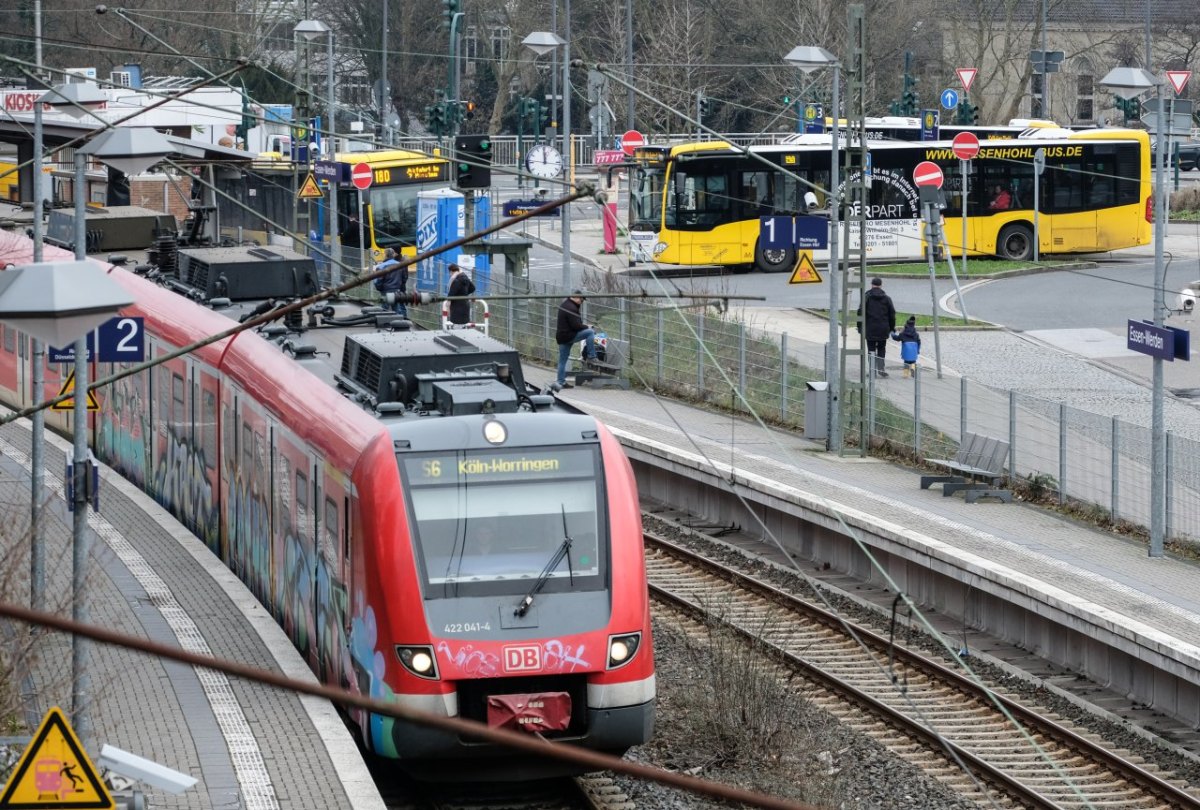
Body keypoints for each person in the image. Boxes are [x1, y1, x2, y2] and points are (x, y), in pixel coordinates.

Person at [555, 289, 598, 389]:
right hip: (569, 335)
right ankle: (592, 356)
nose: (582, 302)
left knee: (562, 361)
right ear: (576, 297)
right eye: (582, 300)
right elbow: (576, 326)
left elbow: (575, 325)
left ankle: (560, 382)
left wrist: (584, 326)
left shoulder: (566, 304)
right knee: (590, 332)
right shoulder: (571, 308)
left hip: (562, 336)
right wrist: (587, 327)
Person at [858, 277, 896, 378]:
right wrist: (891, 327)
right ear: (881, 285)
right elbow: (892, 314)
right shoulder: (887, 299)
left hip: (870, 328)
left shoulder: (866, 297)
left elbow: (860, 312)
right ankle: (881, 368)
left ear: (872, 284)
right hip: (883, 329)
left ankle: (872, 371)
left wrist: (859, 327)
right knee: (881, 348)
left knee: (871, 349)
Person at [373, 247, 408, 317]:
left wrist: (380, 288)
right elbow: (404, 278)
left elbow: (378, 281)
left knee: (384, 309)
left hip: (386, 290)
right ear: (393, 254)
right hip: (397, 290)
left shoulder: (381, 266)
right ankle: (400, 324)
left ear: (385, 255)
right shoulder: (400, 265)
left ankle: (383, 323)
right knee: (397, 309)